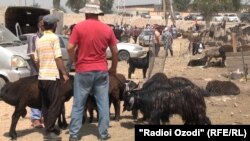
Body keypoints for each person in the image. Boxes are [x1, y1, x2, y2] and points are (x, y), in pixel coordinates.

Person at [67, 0, 118, 140]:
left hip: (83, 70)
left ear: (87, 13)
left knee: (78, 104)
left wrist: (76, 61)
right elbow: (115, 51)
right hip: (101, 70)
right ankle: (103, 134)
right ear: (97, 13)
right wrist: (113, 68)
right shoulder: (107, 29)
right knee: (103, 103)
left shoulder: (78, 27)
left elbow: (70, 47)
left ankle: (74, 135)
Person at [34, 14, 69, 141]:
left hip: (42, 77)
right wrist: (64, 73)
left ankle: (50, 127)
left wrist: (42, 70)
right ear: (54, 25)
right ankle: (49, 131)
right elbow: (58, 58)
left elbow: (36, 61)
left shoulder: (39, 39)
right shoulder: (54, 38)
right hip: (52, 77)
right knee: (55, 103)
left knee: (46, 104)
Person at [26, 16, 44, 128]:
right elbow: (32, 55)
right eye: (41, 22)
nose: (43, 24)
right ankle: (35, 118)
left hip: (46, 72)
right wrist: (40, 67)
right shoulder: (33, 37)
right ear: (38, 24)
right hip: (36, 71)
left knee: (45, 94)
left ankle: (43, 115)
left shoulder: (48, 37)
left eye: (44, 23)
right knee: (35, 94)